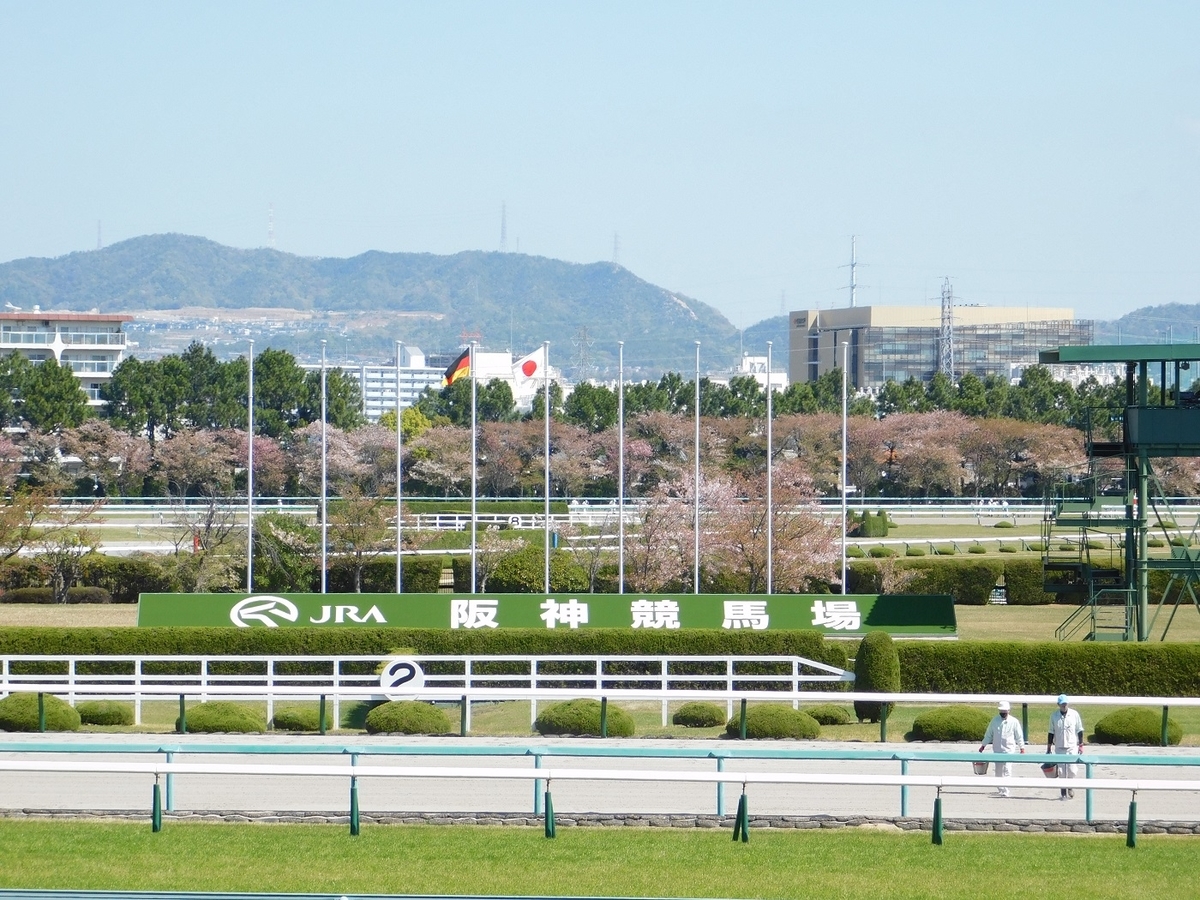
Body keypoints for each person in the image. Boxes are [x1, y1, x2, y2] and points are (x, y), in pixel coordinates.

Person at [979, 700, 1025, 796]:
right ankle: (1000, 788)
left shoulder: (1014, 721)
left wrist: (1022, 747)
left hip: (1009, 750)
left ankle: (1006, 790)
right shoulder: (994, 721)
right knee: (998, 771)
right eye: (1001, 711)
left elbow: (1019, 736)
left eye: (1005, 711)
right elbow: (989, 734)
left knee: (1007, 769)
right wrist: (983, 745)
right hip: (997, 750)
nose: (1003, 713)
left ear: (1008, 710)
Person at [1047, 693, 1084, 799]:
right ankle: (1063, 790)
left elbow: (1079, 730)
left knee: (1072, 770)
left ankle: (1070, 786)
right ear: (1058, 704)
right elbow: (1051, 732)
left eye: (1066, 704)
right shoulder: (1054, 716)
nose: (1064, 706)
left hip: (1072, 746)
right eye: (1062, 704)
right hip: (1059, 746)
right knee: (1062, 771)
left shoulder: (1074, 714)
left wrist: (1081, 744)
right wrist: (1049, 747)